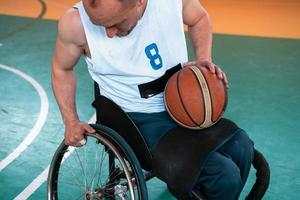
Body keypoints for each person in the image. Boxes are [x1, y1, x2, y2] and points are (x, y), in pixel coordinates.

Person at [51, 0, 254, 199]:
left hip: (184, 103)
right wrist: (70, 121)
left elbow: (199, 17)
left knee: (241, 146)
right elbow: (62, 68)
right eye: (100, 25)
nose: (109, 33)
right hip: (134, 119)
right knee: (224, 175)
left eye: (115, 23)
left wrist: (204, 58)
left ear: (139, 2)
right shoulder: (76, 24)